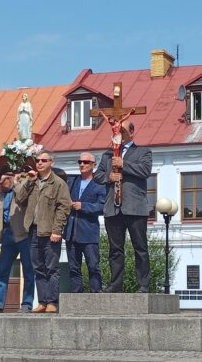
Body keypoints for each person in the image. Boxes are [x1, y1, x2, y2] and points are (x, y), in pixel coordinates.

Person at [93, 122, 153, 293]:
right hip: (113, 208)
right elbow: (97, 176)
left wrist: (123, 164)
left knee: (140, 248)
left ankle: (143, 285)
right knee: (115, 250)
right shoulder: (107, 154)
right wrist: (109, 177)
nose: (119, 134)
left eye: (123, 131)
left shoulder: (143, 151)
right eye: (116, 131)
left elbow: (145, 171)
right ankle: (115, 284)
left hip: (135, 208)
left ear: (132, 132)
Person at [15, 151, 71, 313]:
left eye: (43, 160)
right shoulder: (32, 181)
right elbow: (19, 199)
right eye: (38, 160)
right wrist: (29, 181)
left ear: (51, 162)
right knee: (38, 268)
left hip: (50, 231)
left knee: (52, 268)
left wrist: (57, 230)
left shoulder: (58, 183)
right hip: (33, 231)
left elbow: (63, 208)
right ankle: (42, 301)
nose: (39, 163)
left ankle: (52, 301)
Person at [0, 168, 34, 313]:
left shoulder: (22, 186)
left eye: (1, 182)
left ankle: (27, 304)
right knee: (2, 270)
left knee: (28, 271)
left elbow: (26, 202)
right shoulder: (1, 194)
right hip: (7, 234)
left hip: (24, 235)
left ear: (9, 178)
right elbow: (0, 215)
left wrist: (17, 184)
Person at [64, 152, 106, 293]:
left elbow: (103, 207)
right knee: (73, 268)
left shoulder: (99, 184)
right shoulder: (72, 181)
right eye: (80, 162)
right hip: (71, 232)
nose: (82, 164)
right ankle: (76, 296)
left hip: (89, 232)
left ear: (94, 165)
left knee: (93, 266)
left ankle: (96, 294)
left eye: (86, 162)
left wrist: (84, 206)